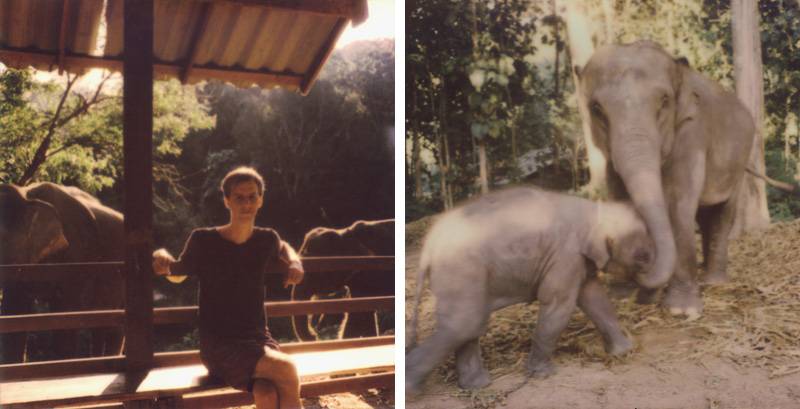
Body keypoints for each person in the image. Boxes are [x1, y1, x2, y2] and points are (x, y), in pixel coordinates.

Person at [152, 167, 305, 409]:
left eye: (252, 197)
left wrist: (295, 260)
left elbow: (283, 246)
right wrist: (161, 254)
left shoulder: (266, 239)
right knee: (287, 368)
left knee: (267, 394)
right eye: (239, 197)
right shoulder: (204, 240)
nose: (247, 203)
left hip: (259, 340)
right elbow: (178, 273)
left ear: (260, 199)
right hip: (219, 345)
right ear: (227, 201)